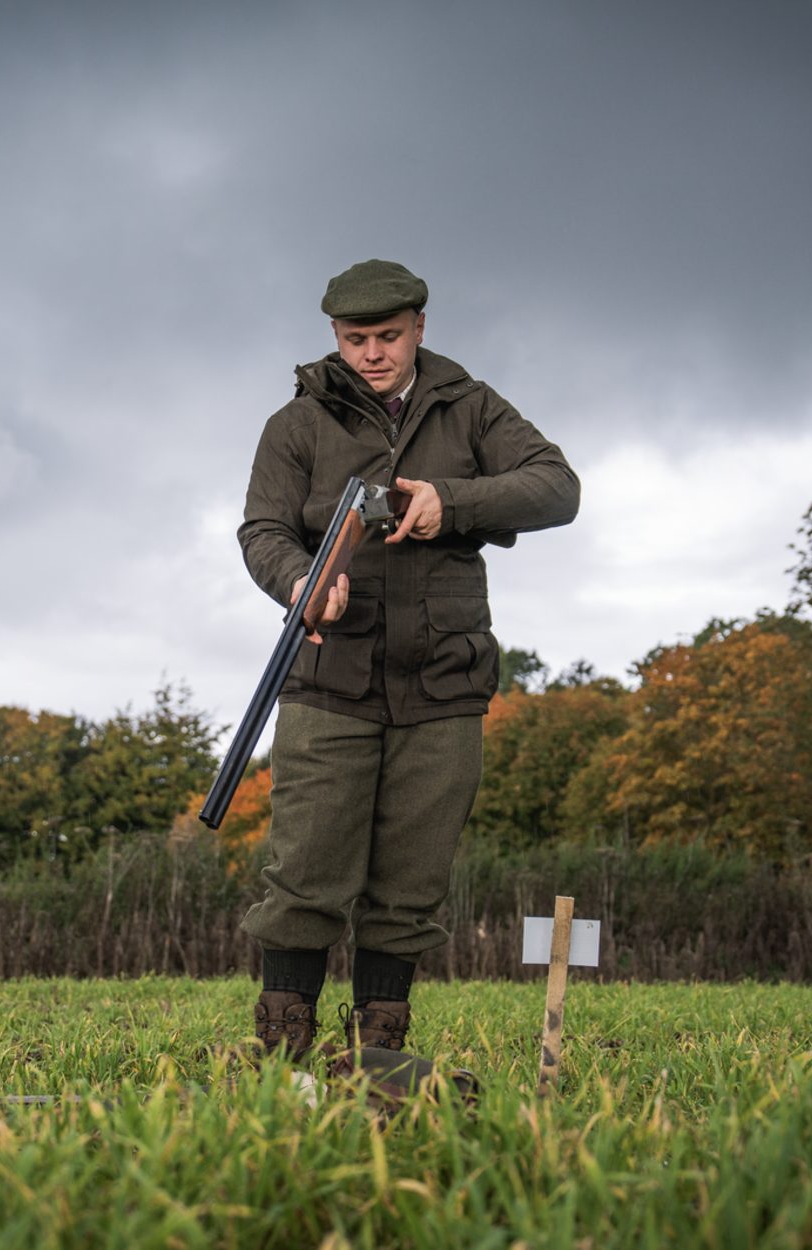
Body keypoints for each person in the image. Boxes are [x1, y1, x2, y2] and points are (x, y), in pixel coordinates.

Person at [237, 259, 580, 1058]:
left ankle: (379, 1059)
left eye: (388, 336)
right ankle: (284, 1054)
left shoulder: (473, 409)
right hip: (327, 680)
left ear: (421, 328)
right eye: (355, 339)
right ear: (334, 337)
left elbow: (556, 487)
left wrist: (450, 501)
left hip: (444, 685)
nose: (372, 353)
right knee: (305, 872)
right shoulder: (295, 426)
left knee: (411, 884)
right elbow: (262, 531)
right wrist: (299, 582)